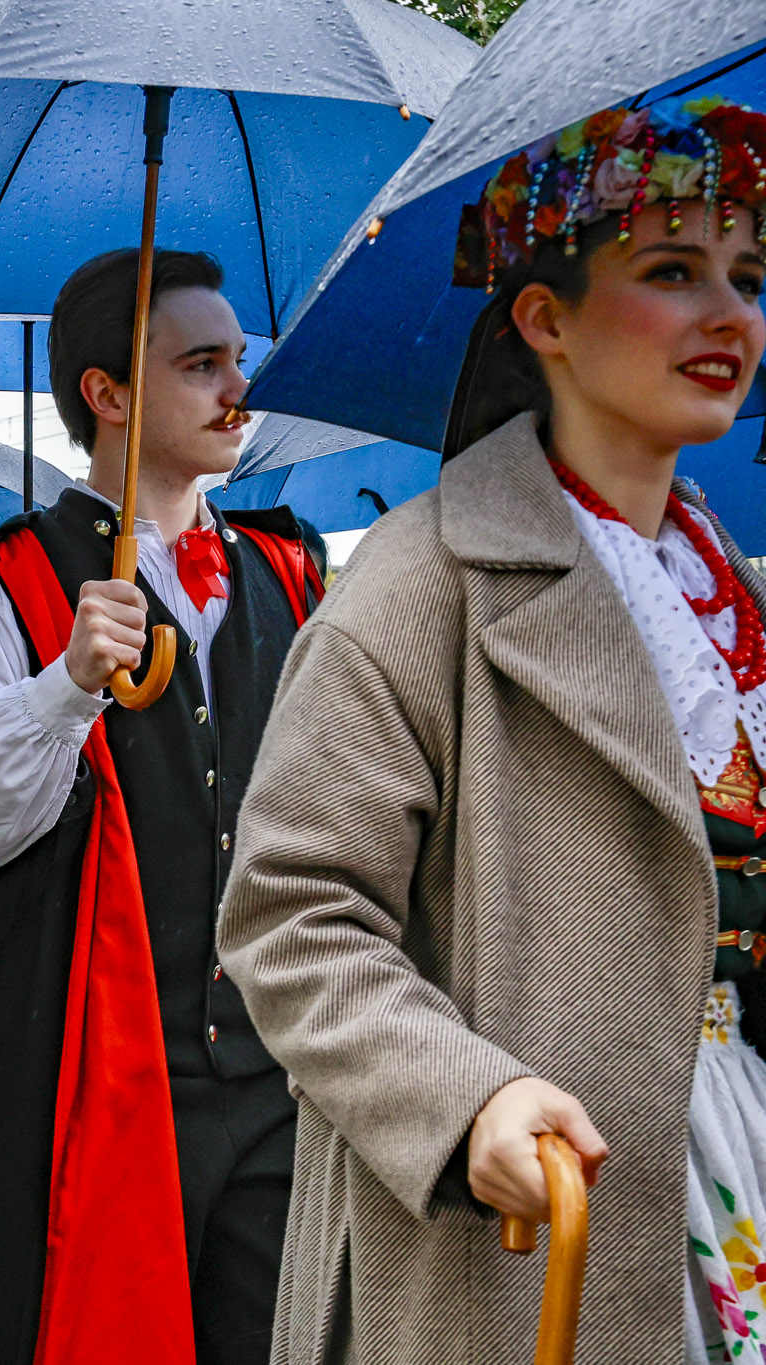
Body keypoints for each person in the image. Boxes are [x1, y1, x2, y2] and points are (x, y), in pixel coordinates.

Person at [219, 99, 766, 1364]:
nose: (727, 315)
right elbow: (291, 920)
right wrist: (466, 1102)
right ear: (544, 319)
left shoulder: (725, 585)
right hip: (523, 1204)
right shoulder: (419, 585)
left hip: (732, 1139)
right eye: (671, 272)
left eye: (746, 275)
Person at [0, 248, 326, 1364]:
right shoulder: (7, 584)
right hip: (88, 1079)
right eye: (200, 364)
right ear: (106, 394)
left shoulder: (285, 574)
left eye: (238, 362)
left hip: (277, 1067)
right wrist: (64, 687)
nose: (236, 390)